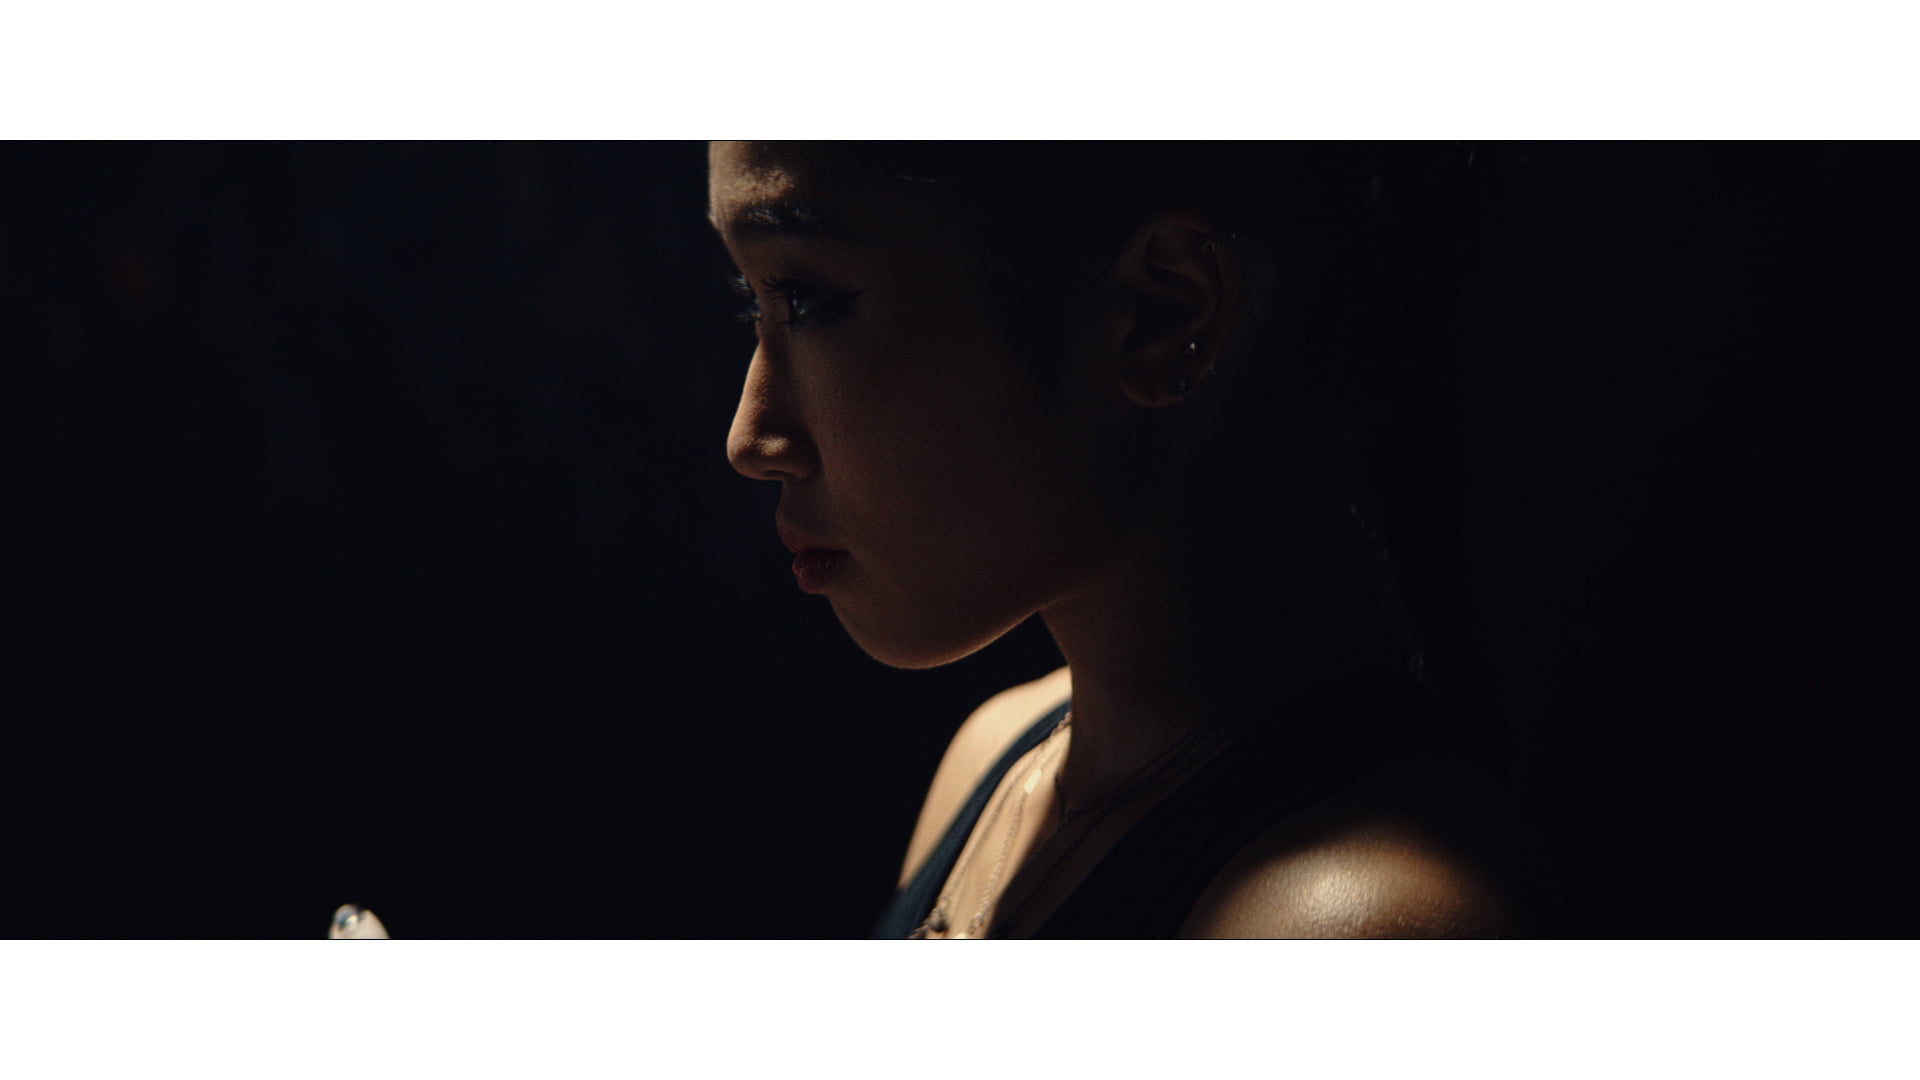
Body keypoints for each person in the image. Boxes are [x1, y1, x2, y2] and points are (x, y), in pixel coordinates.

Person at [708, 141, 1521, 938]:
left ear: (1159, 313)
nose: (749, 439)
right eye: (752, 300)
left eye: (807, 298)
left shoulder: (1349, 926)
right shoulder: (1001, 760)